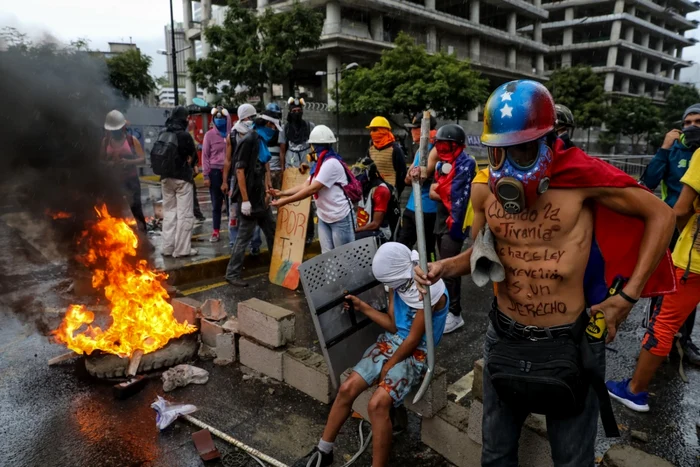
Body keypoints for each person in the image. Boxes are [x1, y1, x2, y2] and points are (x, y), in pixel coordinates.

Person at [414, 80, 675, 467]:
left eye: (522, 149)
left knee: (571, 460)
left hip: (570, 344)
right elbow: (484, 254)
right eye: (499, 151)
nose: (508, 162)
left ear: (549, 141)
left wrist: (626, 298)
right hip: (504, 339)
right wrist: (443, 267)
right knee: (496, 455)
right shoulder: (486, 189)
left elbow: (662, 214)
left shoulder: (581, 179)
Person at [292, 242, 449, 467]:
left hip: (418, 353)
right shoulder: (398, 282)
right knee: (347, 388)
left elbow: (413, 339)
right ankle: (323, 450)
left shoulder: (428, 288)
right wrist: (362, 306)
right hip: (394, 342)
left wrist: (388, 366)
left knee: (376, 405)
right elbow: (395, 326)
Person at [606, 144, 700, 412]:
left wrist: (683, 237)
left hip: (694, 259)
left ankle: (636, 391)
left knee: (664, 323)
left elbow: (680, 210)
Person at [638, 103, 700, 366]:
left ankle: (682, 340)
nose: (693, 127)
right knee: (662, 286)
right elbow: (648, 182)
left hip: (694, 236)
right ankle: (654, 339)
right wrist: (664, 148)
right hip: (672, 228)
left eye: (699, 122)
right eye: (688, 122)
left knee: (688, 292)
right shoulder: (674, 151)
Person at [271, 125, 355, 253]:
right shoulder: (319, 164)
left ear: (315, 146)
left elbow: (311, 190)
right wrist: (282, 193)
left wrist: (284, 202)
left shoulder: (330, 164)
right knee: (327, 256)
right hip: (324, 217)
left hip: (339, 218)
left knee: (343, 257)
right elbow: (306, 185)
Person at [224, 112, 281, 287]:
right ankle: (232, 273)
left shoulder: (260, 141)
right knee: (243, 237)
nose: (274, 132)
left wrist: (267, 189)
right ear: (267, 126)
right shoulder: (248, 140)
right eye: (273, 128)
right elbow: (239, 171)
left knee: (272, 232)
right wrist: (246, 200)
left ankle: (276, 267)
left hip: (260, 199)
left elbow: (264, 168)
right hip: (249, 199)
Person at [430, 124, 476, 334]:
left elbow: (460, 197)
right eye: (439, 144)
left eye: (446, 144)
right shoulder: (442, 165)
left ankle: (455, 313)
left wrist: (441, 191)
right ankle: (444, 308)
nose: (442, 148)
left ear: (457, 145)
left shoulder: (466, 164)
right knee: (442, 264)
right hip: (441, 220)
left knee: (449, 269)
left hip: (454, 222)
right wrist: (443, 191)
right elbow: (434, 191)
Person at [397, 112, 439, 261]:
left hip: (428, 209)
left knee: (427, 251)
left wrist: (413, 175)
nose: (412, 131)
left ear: (423, 129)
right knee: (402, 246)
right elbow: (408, 179)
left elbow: (420, 176)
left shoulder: (436, 148)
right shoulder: (420, 148)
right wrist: (412, 175)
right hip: (412, 206)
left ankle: (432, 281)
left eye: (415, 128)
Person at [222, 103, 263, 254]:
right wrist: (225, 181)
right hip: (235, 178)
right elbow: (227, 161)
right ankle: (234, 244)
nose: (252, 120)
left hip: (253, 178)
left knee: (255, 210)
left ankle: (255, 244)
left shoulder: (256, 134)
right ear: (244, 117)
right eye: (251, 117)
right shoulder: (232, 136)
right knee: (234, 213)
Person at [159, 106, 199, 258]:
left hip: (165, 178)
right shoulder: (184, 135)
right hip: (182, 178)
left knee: (169, 213)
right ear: (184, 118)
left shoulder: (163, 133)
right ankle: (182, 249)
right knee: (184, 214)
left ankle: (167, 248)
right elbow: (192, 155)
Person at [102, 110, 147, 232]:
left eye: (116, 129)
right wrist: (110, 164)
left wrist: (128, 162)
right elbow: (101, 161)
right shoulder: (105, 142)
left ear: (123, 127)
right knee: (113, 211)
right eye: (113, 130)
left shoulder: (131, 140)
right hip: (114, 182)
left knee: (136, 210)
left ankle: (144, 238)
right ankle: (115, 238)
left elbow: (143, 159)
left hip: (131, 180)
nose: (115, 132)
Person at [283, 97, 316, 245]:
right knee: (292, 202)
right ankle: (294, 232)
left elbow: (315, 147)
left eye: (299, 111)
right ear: (290, 112)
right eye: (294, 111)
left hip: (307, 167)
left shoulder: (310, 126)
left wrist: (310, 163)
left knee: (308, 201)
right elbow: (282, 150)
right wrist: (285, 171)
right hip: (291, 168)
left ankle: (309, 234)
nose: (297, 113)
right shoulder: (285, 129)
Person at [352, 157, 399, 242]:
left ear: (368, 172)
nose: (355, 175)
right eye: (354, 171)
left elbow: (376, 224)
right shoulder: (364, 187)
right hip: (366, 228)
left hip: (382, 232)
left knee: (351, 239)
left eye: (358, 171)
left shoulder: (380, 190)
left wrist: (354, 231)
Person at [202, 107, 231, 243]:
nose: (219, 120)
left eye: (222, 118)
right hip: (214, 172)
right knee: (216, 204)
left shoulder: (232, 134)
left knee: (232, 203)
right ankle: (215, 231)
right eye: (217, 118)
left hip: (230, 171)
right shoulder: (209, 135)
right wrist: (206, 175)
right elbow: (205, 156)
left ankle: (234, 230)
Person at [366, 116, 407, 196]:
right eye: (371, 130)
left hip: (391, 192)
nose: (371, 133)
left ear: (383, 130)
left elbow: (402, 173)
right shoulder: (370, 149)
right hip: (373, 191)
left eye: (375, 130)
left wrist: (397, 192)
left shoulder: (395, 149)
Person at [265, 102, 286, 190]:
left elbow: (283, 151)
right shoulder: (261, 130)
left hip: (277, 169)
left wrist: (282, 169)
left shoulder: (281, 129)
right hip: (265, 170)